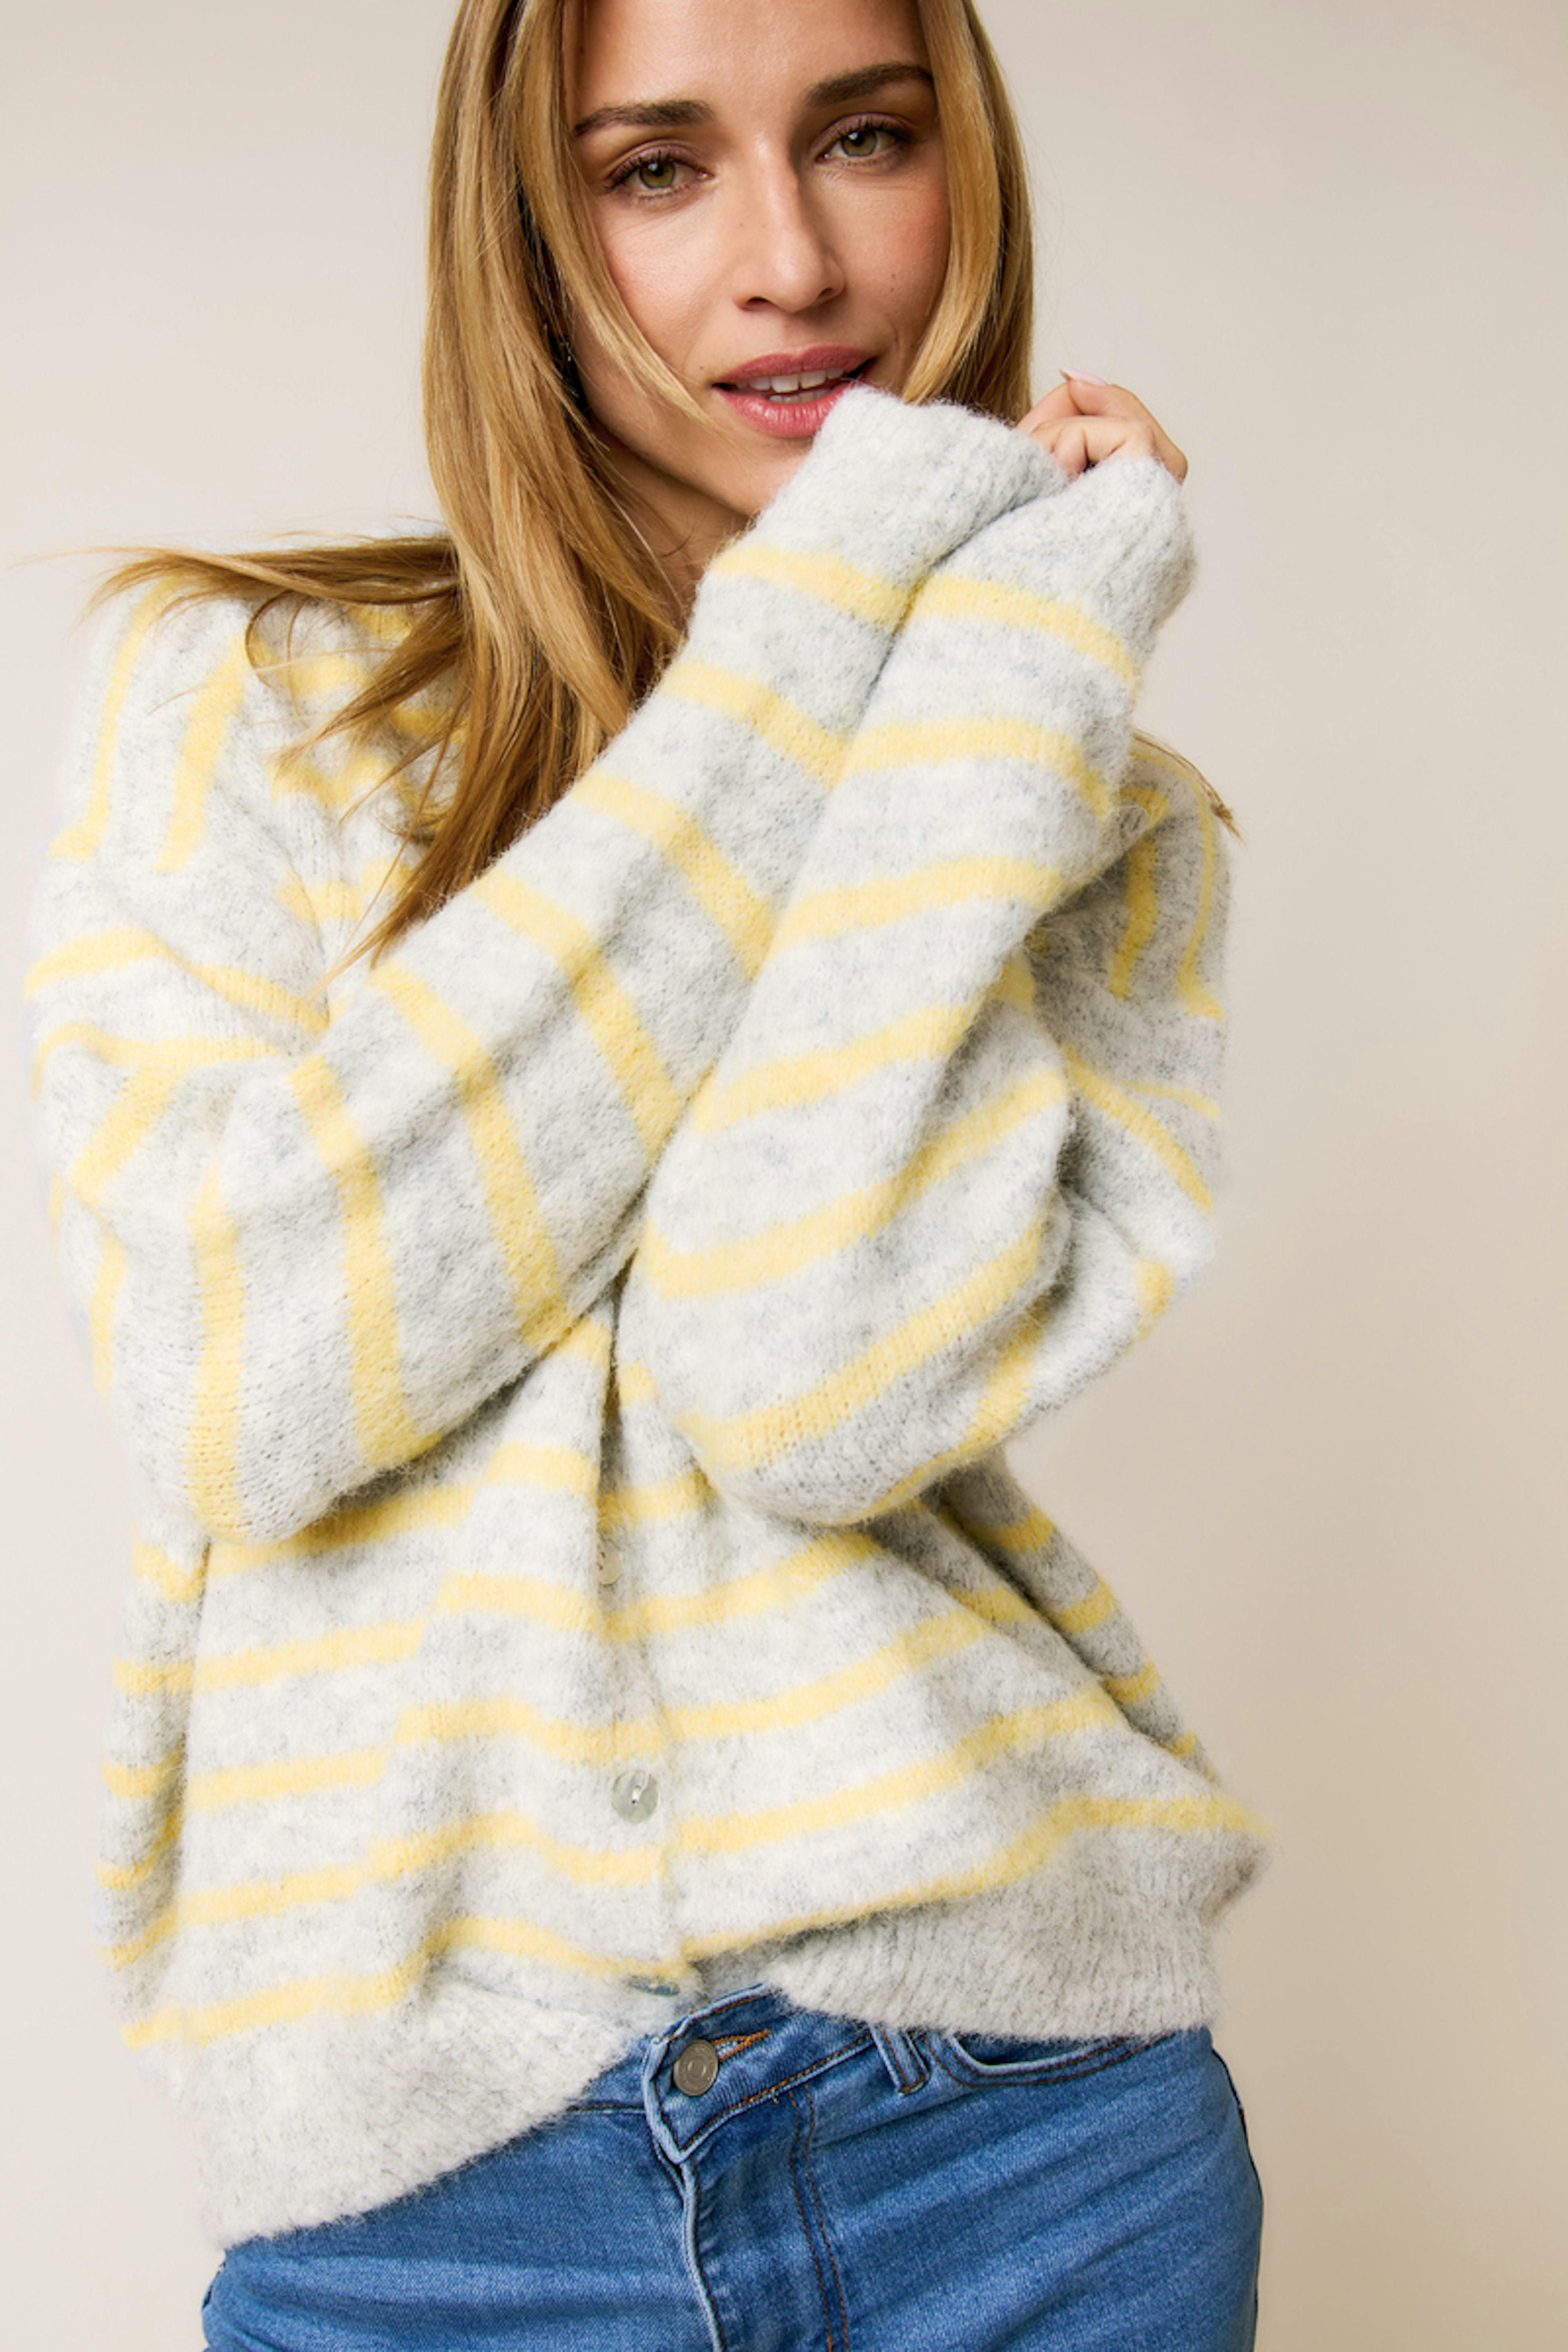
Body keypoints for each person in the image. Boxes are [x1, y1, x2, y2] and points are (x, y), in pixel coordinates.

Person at [26, 0, 1270, 2342]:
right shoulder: (255, 696)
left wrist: (1001, 669)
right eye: (657, 169)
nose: (791, 258)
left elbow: (803, 1380)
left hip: (1027, 2137)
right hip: (437, 2215)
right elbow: (235, 1379)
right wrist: (841, 593)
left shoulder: (1079, 783)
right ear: (524, 227)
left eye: (866, 137)